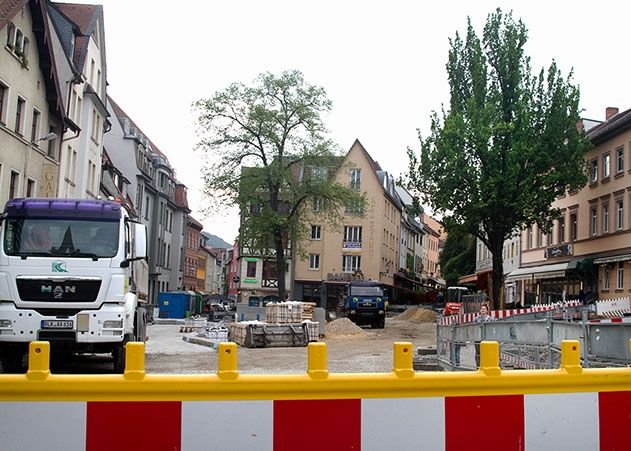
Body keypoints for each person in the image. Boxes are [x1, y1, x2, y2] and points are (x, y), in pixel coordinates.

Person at [474, 303, 495, 367]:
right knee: (478, 353)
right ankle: (478, 366)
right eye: (481, 309)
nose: (483, 310)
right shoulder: (476, 319)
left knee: (487, 352)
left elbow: (493, 328)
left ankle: (487, 365)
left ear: (487, 310)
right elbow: (474, 328)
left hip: (488, 338)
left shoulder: (491, 319)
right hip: (478, 338)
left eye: (484, 309)